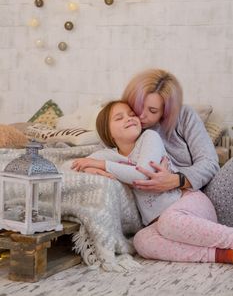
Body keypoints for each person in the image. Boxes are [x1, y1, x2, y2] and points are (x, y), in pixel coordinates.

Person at [71, 100, 233, 264]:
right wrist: (91, 169)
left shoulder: (149, 138)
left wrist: (102, 166)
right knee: (141, 241)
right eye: (119, 118)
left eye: (132, 114)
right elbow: (75, 166)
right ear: (108, 132)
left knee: (169, 222)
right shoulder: (109, 155)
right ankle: (222, 255)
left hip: (190, 203)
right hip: (163, 223)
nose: (129, 118)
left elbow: (143, 176)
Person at [120, 68, 233, 261]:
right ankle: (222, 254)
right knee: (142, 241)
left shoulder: (184, 116)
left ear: (166, 111)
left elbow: (209, 163)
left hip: (199, 195)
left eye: (152, 111)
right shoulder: (126, 124)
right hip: (165, 211)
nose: (141, 116)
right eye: (136, 107)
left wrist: (175, 180)